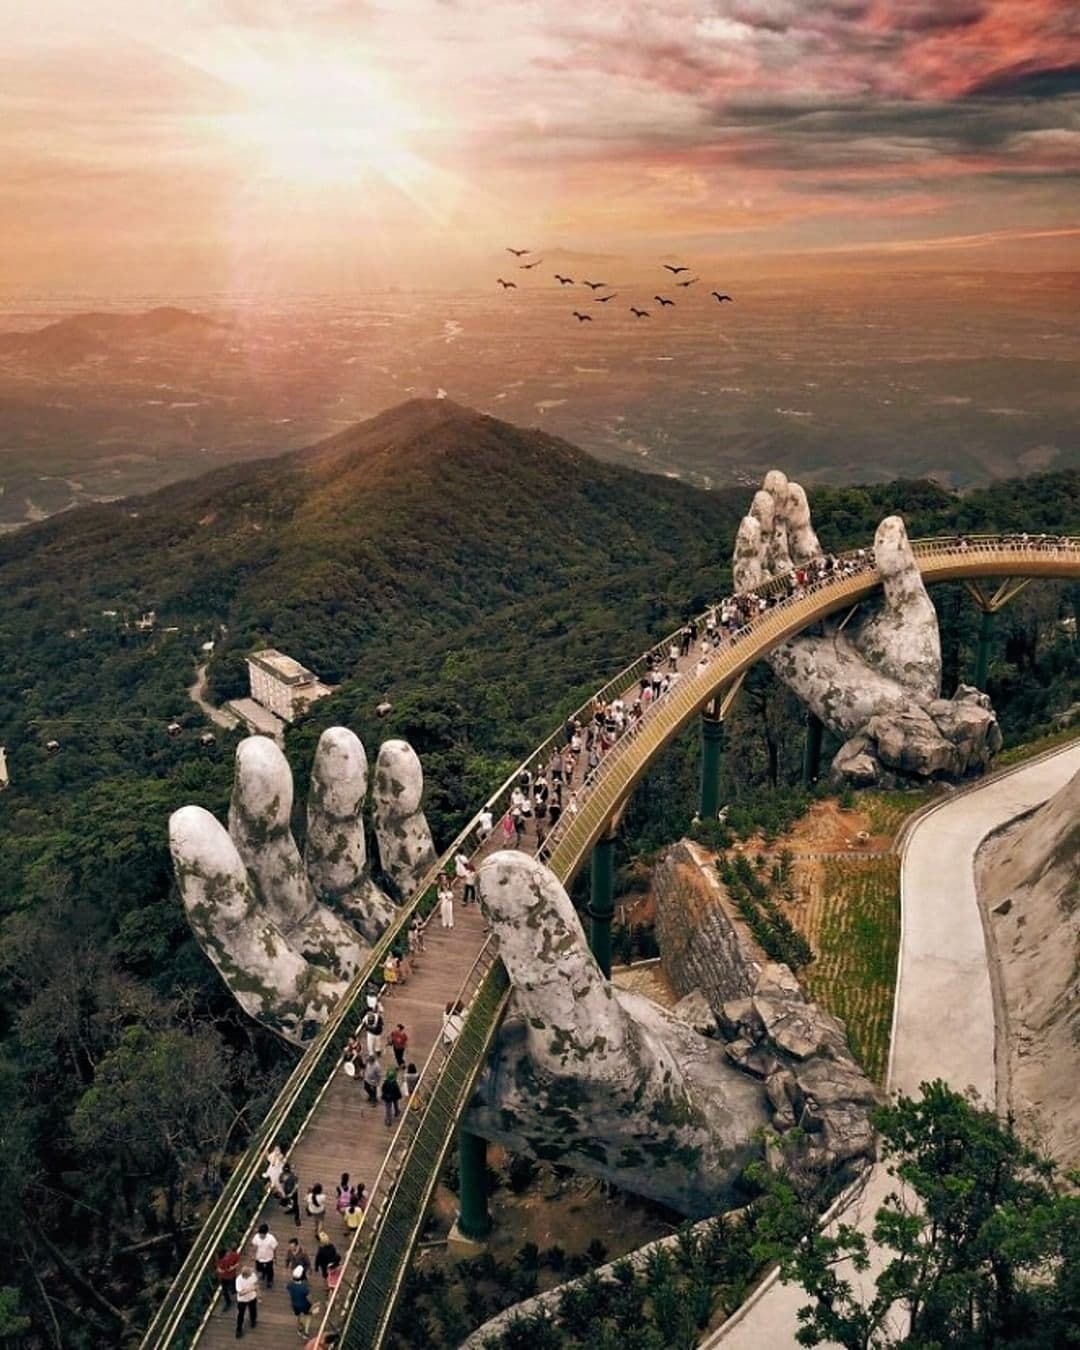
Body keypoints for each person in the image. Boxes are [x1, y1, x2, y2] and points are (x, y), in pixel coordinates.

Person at [286, 1264, 316, 1338]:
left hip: (295, 1304)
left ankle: (299, 1329)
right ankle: (306, 1332)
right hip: (305, 1305)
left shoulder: (290, 1284)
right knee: (308, 1316)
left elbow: (289, 1291)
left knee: (298, 1315)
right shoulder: (304, 1287)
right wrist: (313, 1304)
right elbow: (309, 1297)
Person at [234, 1265, 258, 1339]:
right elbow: (240, 1293)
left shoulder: (252, 1275)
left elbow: (255, 1284)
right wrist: (250, 1289)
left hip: (252, 1297)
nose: (251, 1274)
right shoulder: (238, 1280)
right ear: (245, 1275)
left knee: (253, 1310)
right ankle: (239, 1330)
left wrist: (257, 1291)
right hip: (242, 1300)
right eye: (250, 1274)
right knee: (241, 1314)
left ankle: (253, 1321)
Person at [251, 1222, 277, 1288]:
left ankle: (269, 1281)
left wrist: (275, 1257)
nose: (260, 1236)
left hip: (268, 1258)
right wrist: (253, 1255)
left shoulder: (271, 1239)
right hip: (259, 1258)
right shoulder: (256, 1237)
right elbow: (254, 1246)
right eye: (260, 1234)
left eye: (262, 1234)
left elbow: (274, 1248)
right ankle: (263, 1274)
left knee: (270, 1270)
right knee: (259, 1268)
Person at [215, 1246, 240, 1311]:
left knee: (232, 1286)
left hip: (231, 1275)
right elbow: (218, 1267)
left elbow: (237, 1262)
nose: (228, 1253)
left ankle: (234, 1291)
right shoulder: (220, 1259)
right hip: (224, 1277)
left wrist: (233, 1267)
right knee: (224, 1290)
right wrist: (220, 1270)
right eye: (227, 1253)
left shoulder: (232, 1255)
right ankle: (228, 1302)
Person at [280, 1161, 301, 1226]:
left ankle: (297, 1218)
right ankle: (292, 1209)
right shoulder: (282, 1175)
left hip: (293, 1192)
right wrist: (283, 1192)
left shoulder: (294, 1175)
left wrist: (292, 1193)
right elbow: (282, 1184)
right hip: (286, 1191)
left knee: (296, 1203)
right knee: (288, 1202)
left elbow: (296, 1185)